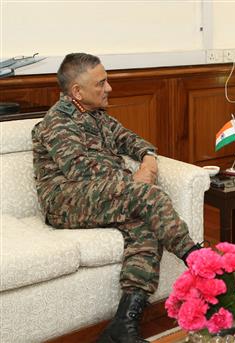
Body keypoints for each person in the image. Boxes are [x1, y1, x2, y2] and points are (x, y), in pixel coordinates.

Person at [32, 53, 203, 343]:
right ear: (77, 91)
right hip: (65, 201)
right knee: (147, 197)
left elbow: (132, 140)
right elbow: (82, 171)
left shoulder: (97, 117)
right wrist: (133, 183)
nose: (109, 88)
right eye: (101, 83)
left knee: (146, 226)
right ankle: (199, 260)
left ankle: (124, 325)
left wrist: (148, 160)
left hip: (103, 195)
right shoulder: (55, 123)